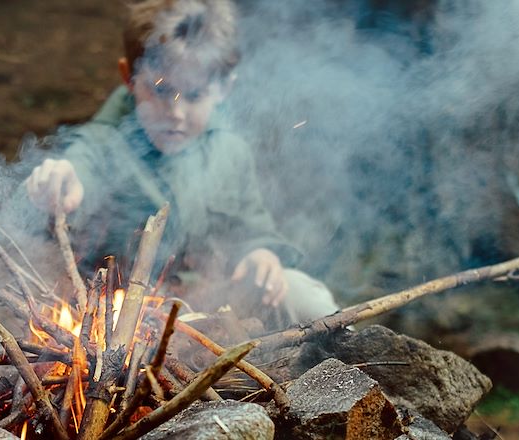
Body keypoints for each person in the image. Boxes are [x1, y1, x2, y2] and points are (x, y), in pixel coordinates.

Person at [24, 0, 339, 328]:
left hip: (204, 312)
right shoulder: (102, 143)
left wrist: (259, 253)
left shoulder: (230, 151)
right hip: (117, 327)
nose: (175, 113)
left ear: (223, 88)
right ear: (129, 78)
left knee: (306, 300)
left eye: (194, 96)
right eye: (161, 90)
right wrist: (57, 181)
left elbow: (249, 229)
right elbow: (78, 163)